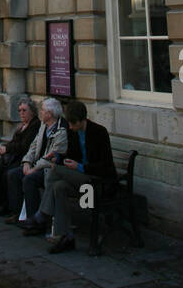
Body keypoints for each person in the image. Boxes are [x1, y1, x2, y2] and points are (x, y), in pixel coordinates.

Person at [21, 101, 117, 249]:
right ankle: (65, 236)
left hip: (96, 182)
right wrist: (58, 158)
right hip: (80, 180)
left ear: (81, 120)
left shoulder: (99, 132)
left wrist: (79, 166)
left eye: (73, 124)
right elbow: (70, 155)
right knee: (59, 187)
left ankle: (42, 213)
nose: (70, 127)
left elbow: (106, 167)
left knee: (53, 170)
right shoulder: (74, 133)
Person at [4, 98, 67, 223]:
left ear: (50, 113)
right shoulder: (44, 125)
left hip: (48, 169)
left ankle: (33, 218)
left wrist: (34, 168)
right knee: (13, 174)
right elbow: (33, 146)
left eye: (42, 110)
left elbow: (51, 156)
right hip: (35, 165)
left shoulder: (61, 130)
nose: (40, 113)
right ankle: (17, 213)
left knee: (29, 179)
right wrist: (27, 162)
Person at [0, 95, 39, 214]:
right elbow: (13, 142)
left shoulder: (35, 125)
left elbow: (24, 146)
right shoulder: (21, 126)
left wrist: (6, 149)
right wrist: (2, 148)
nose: (21, 113)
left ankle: (10, 206)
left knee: (8, 173)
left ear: (32, 112)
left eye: (24, 110)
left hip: (24, 158)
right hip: (14, 157)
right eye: (20, 110)